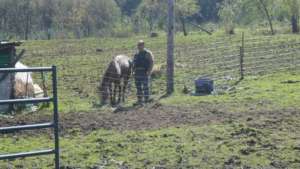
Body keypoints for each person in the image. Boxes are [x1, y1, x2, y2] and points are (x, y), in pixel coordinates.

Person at [133, 40, 154, 104]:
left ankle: (146, 100)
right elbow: (134, 64)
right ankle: (140, 100)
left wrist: (149, 71)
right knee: (138, 87)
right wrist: (133, 72)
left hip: (144, 72)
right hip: (137, 72)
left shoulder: (147, 53)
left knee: (145, 86)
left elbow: (151, 62)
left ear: (143, 45)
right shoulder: (136, 54)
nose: (139, 46)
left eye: (140, 45)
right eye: (138, 45)